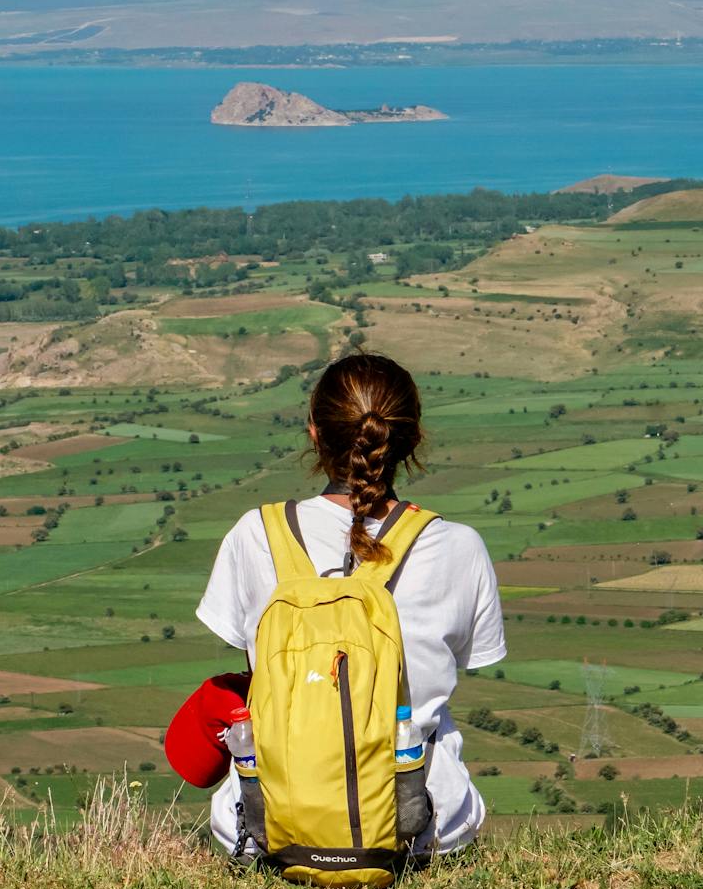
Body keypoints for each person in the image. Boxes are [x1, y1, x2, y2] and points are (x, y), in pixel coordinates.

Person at [192, 351, 505, 857]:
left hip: (266, 826)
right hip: (424, 828)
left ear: (314, 432)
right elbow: (461, 663)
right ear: (412, 437)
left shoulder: (256, 535)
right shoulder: (460, 546)